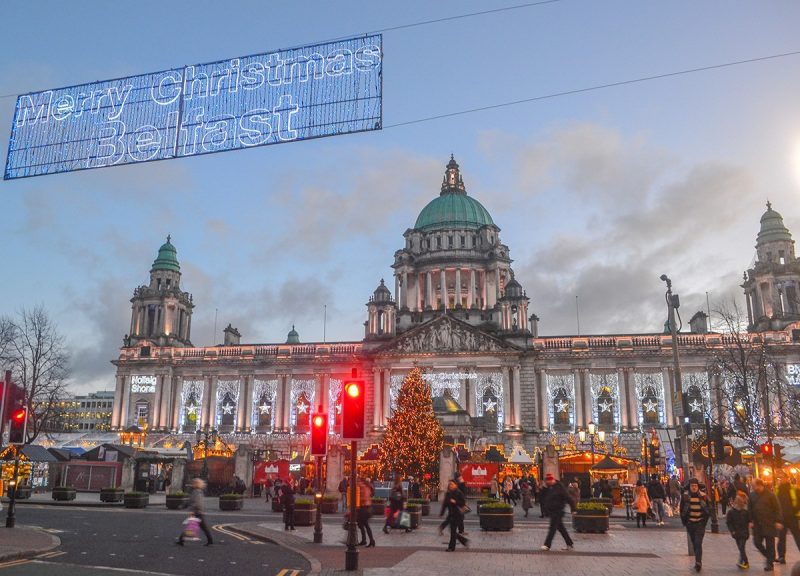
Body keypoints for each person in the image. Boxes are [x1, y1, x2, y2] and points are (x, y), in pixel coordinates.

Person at [750, 478, 783, 571]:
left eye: (754, 485)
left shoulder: (771, 495)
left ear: (760, 485)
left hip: (769, 523)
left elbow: (777, 508)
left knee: (770, 545)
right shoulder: (752, 495)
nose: (753, 487)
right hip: (757, 524)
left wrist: (778, 521)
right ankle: (769, 557)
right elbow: (749, 508)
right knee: (757, 542)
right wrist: (750, 520)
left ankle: (770, 563)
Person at [681, 477, 710, 572]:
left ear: (698, 486)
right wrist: (685, 522)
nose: (694, 487)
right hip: (690, 524)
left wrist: (704, 522)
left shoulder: (703, 496)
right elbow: (682, 510)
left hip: (700, 524)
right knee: (694, 543)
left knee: (698, 543)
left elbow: (707, 510)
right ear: (689, 487)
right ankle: (697, 560)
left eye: (695, 486)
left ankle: (698, 562)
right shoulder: (685, 496)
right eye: (692, 486)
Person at [540, 473, 574, 551]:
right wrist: (544, 488)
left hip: (558, 511)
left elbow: (568, 498)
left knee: (552, 528)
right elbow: (542, 497)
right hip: (552, 511)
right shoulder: (549, 487)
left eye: (548, 481)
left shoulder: (560, 487)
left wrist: (573, 509)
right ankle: (569, 544)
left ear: (552, 480)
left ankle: (547, 545)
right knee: (561, 529)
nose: (547, 483)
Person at [177, 478, 213, 546]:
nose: (192, 484)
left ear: (196, 484)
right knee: (192, 526)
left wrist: (192, 511)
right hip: (198, 512)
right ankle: (181, 540)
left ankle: (181, 540)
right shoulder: (196, 491)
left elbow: (197, 503)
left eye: (193, 483)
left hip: (198, 512)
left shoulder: (197, 492)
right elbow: (190, 501)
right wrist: (183, 506)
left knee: (194, 527)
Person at [440, 479, 469, 551]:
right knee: (452, 531)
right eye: (450, 484)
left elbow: (463, 503)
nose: (450, 486)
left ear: (456, 485)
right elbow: (445, 504)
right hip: (451, 514)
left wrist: (455, 501)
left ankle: (451, 547)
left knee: (452, 531)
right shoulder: (448, 493)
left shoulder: (459, 492)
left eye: (452, 484)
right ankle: (464, 541)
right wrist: (442, 513)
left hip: (458, 514)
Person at [777, 477, 800, 564]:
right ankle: (781, 557)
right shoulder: (777, 489)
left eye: (784, 478)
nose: (782, 480)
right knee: (781, 538)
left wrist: (794, 510)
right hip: (782, 518)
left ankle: (781, 556)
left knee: (797, 537)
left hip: (792, 517)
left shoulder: (794, 489)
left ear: (788, 479)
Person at [726, 490, 751, 569]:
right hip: (736, 533)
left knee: (741, 547)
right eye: (738, 501)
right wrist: (732, 531)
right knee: (740, 547)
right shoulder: (731, 512)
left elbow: (749, 520)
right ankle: (741, 560)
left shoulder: (745, 512)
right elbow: (729, 522)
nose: (740, 503)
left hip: (744, 533)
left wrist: (750, 523)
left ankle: (746, 562)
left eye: (741, 501)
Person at [357, 477, 375, 547]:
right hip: (365, 508)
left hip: (364, 508)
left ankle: (371, 540)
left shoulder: (364, 488)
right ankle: (365, 540)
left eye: (358, 481)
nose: (357, 483)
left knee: (365, 525)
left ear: (362, 482)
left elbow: (364, 498)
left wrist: (358, 499)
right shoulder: (365, 487)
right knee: (361, 524)